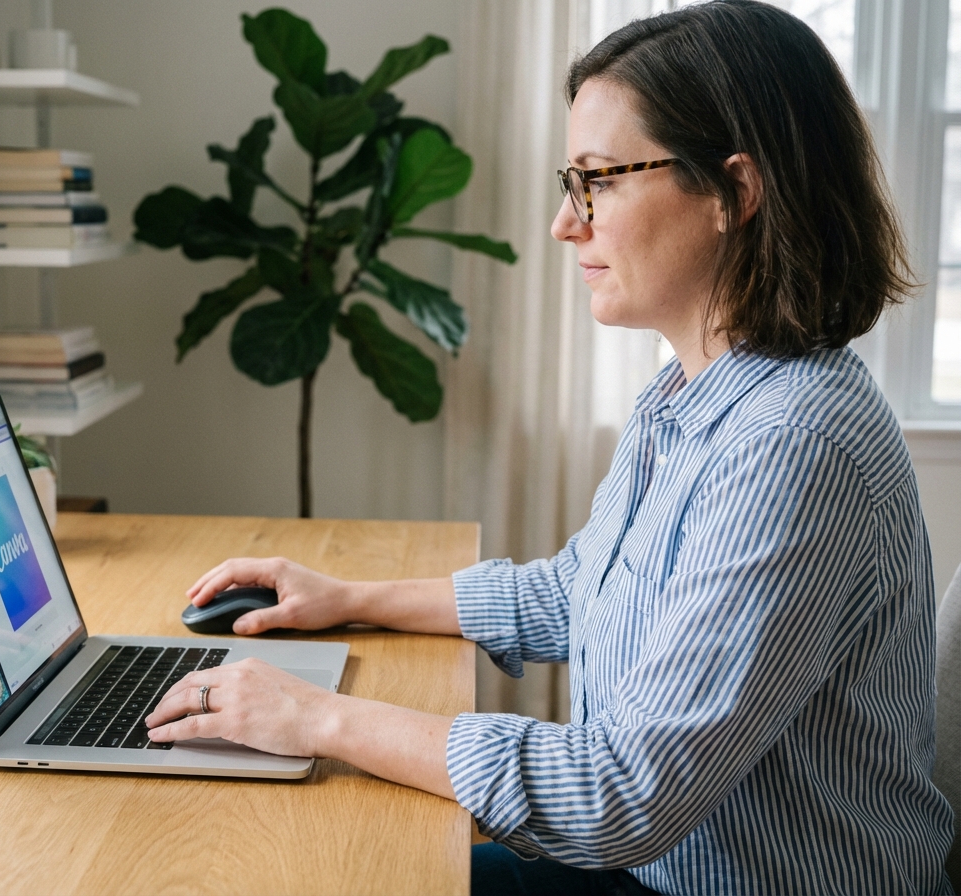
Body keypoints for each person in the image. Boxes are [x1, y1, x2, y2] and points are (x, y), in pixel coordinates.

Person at [145, 2, 955, 892]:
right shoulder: (691, 393)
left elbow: (623, 795)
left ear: (734, 193)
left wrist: (318, 719)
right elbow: (584, 589)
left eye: (598, 181)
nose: (567, 223)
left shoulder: (793, 447)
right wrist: (345, 598)